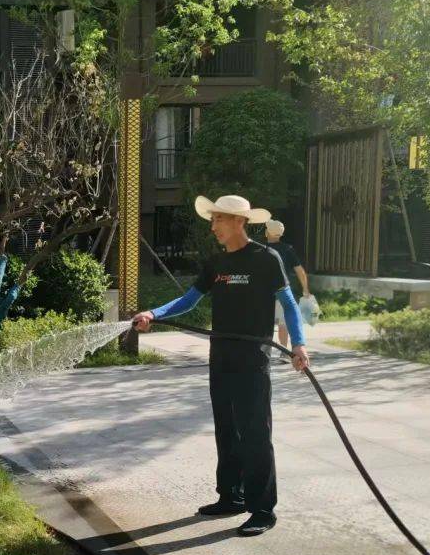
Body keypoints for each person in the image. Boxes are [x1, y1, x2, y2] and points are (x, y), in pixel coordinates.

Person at [132, 195, 309, 536]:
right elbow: (188, 300)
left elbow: (288, 304)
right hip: (221, 358)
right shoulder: (216, 263)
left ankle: (262, 510)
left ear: (238, 222)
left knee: (255, 433)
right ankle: (232, 496)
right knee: (227, 430)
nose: (212, 227)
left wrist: (298, 344)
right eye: (212, 220)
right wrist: (153, 313)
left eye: (218, 220)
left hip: (253, 360)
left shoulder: (266, 258)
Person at [264, 219, 310, 348]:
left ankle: (260, 351)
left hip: (264, 291)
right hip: (283, 289)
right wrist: (305, 289)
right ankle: (284, 352)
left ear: (267, 233)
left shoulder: (262, 249)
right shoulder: (288, 249)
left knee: (263, 322)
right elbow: (300, 271)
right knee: (283, 323)